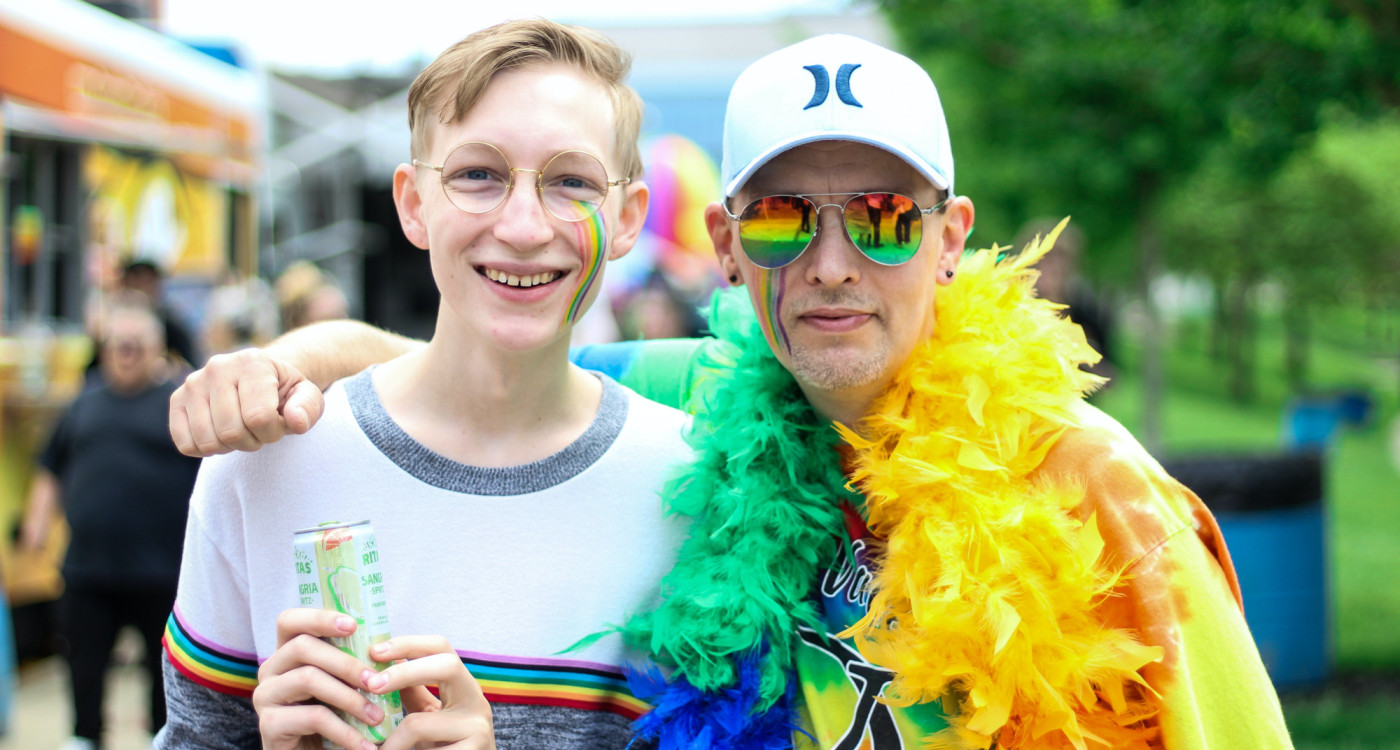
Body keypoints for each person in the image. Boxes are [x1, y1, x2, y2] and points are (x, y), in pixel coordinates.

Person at [168, 34, 1293, 750]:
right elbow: (489, 358)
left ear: (949, 238)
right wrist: (288, 363)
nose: (833, 263)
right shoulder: (710, 411)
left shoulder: (1096, 489)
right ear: (721, 242)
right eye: (781, 217)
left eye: (886, 218)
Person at [156, 19, 691, 750]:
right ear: (412, 203)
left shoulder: (693, 488)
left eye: (573, 182)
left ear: (626, 218)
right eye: (479, 175)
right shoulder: (266, 463)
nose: (526, 225)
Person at [21, 297, 200, 750]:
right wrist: (36, 526)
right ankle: (84, 737)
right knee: (83, 664)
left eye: (136, 345)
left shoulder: (178, 402)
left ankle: (161, 738)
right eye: (119, 344)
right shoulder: (82, 403)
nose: (127, 352)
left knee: (164, 672)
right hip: (87, 569)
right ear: (105, 348)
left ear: (155, 349)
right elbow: (51, 469)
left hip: (160, 571)